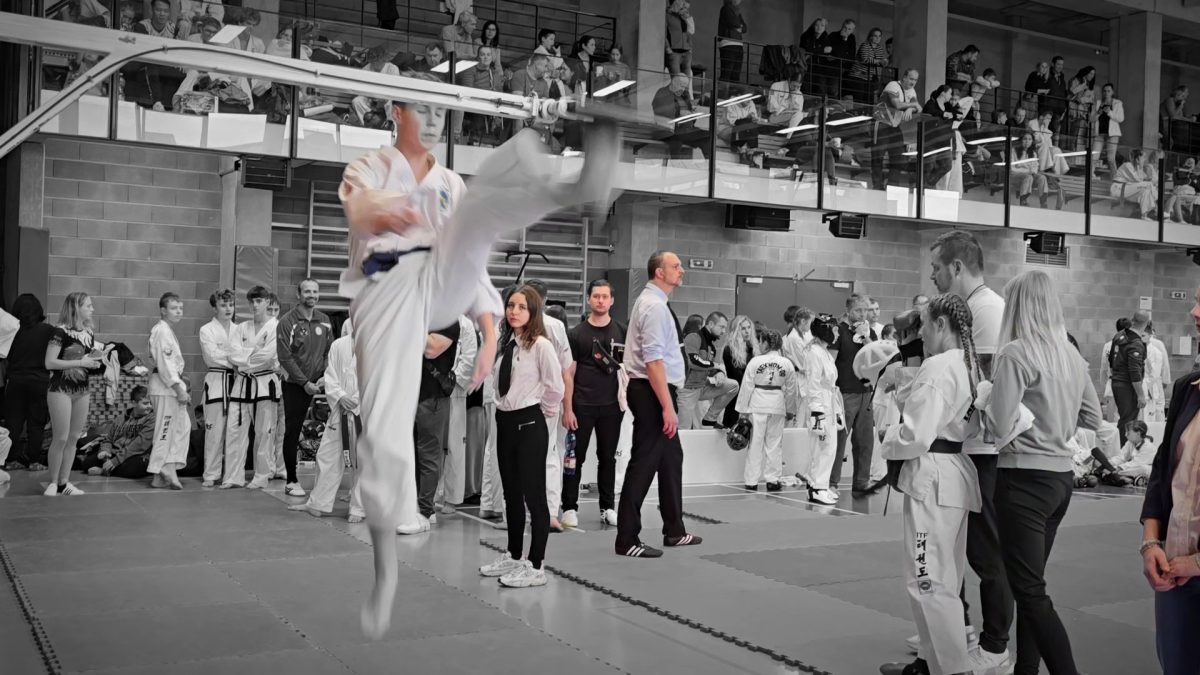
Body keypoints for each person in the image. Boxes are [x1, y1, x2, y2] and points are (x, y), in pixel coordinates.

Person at [337, 79, 618, 636]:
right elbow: (363, 211)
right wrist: (403, 214)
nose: (434, 120)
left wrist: (490, 339)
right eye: (422, 109)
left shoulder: (447, 182)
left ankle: (573, 175)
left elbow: (475, 273)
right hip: (387, 293)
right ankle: (385, 568)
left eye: (440, 111)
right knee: (384, 438)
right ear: (396, 111)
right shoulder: (368, 167)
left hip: (437, 283)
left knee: (481, 206)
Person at [879, 294, 1000, 675]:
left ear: (942, 325)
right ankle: (934, 664)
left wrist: (887, 436)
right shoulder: (970, 366)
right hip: (954, 473)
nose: (922, 335)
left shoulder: (939, 366)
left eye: (925, 327)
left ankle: (951, 669)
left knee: (927, 580)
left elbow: (915, 434)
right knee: (944, 576)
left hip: (932, 475)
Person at [989, 270, 1102, 675]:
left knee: (1030, 591)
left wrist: (989, 401)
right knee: (1030, 586)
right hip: (1060, 481)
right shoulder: (1071, 355)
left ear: (1018, 306)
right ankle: (1026, 669)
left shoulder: (1016, 353)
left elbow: (998, 426)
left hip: (1022, 479)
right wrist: (1055, 422)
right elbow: (1093, 418)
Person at [927, 230, 1014, 670]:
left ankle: (996, 646)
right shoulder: (965, 309)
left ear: (957, 267)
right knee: (951, 548)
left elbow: (982, 382)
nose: (933, 276)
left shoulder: (989, 310)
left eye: (937, 268)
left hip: (984, 451)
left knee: (985, 551)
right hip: (962, 448)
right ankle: (955, 629)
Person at [616, 251, 702, 558]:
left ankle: (674, 529)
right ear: (659, 272)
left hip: (655, 389)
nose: (682, 270)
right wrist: (667, 406)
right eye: (675, 266)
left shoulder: (656, 303)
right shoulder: (653, 306)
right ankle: (626, 538)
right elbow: (653, 361)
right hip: (651, 391)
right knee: (644, 462)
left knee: (671, 458)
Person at [478, 285, 564, 587]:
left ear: (533, 312)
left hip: (529, 422)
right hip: (505, 421)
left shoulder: (541, 345)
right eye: (510, 306)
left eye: (521, 307)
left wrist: (542, 412)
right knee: (511, 493)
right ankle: (514, 555)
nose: (514, 311)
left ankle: (536, 565)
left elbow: (555, 387)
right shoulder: (507, 344)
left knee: (534, 496)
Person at [1140, 285, 1200, 675]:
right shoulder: (1187, 389)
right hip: (1175, 571)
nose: (1194, 312)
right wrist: (1151, 542)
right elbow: (1162, 472)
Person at [562, 279, 625, 529]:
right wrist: (568, 409)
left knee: (608, 458)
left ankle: (608, 507)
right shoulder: (576, 334)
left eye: (605, 296)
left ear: (612, 300)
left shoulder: (622, 331)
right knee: (575, 458)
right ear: (589, 299)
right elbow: (568, 374)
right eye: (596, 296)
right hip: (582, 406)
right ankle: (569, 507)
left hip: (612, 406)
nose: (600, 300)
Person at [290, 320, 357, 517]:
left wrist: (356, 400)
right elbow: (330, 375)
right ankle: (317, 503)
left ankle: (359, 508)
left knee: (362, 461)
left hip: (363, 412)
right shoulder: (339, 345)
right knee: (326, 455)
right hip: (339, 409)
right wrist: (340, 396)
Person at [522, 279, 573, 532]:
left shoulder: (551, 326)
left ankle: (546, 512)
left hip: (539, 399)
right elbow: (567, 369)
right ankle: (548, 511)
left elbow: (566, 369)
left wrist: (566, 406)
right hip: (531, 399)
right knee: (548, 454)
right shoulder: (551, 325)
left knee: (537, 455)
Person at [277, 278, 333, 498]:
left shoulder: (325, 321)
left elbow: (329, 352)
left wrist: (325, 377)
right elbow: (285, 357)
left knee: (333, 431)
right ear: (298, 295)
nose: (312, 295)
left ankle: (327, 480)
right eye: (307, 291)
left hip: (320, 383)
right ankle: (291, 480)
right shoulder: (287, 321)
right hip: (295, 385)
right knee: (293, 431)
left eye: (315, 291)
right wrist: (304, 383)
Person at [44, 292, 103, 496]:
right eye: (88, 305)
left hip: (82, 389)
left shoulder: (88, 332)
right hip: (60, 388)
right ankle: (53, 481)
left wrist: (94, 361)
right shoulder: (60, 331)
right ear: (76, 308)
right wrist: (81, 362)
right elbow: (49, 362)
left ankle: (64, 482)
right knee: (60, 438)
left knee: (73, 437)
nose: (92, 309)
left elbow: (83, 360)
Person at [405, 320, 460, 534]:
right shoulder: (421, 317)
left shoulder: (448, 320)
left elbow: (431, 349)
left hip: (431, 397)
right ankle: (412, 506)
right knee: (409, 454)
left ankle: (425, 511)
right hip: (408, 394)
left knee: (428, 454)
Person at [224, 285, 280, 490]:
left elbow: (269, 354)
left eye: (259, 301)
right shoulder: (241, 328)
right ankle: (233, 477)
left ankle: (261, 476)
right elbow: (231, 354)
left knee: (264, 433)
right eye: (252, 301)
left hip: (264, 384)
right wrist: (252, 353)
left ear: (267, 302)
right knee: (234, 431)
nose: (255, 305)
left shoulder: (275, 326)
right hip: (242, 384)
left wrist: (244, 357)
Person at [736, 328, 797, 491]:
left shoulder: (755, 362)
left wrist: (742, 410)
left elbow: (746, 387)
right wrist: (791, 410)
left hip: (757, 404)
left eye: (761, 341)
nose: (760, 344)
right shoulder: (787, 363)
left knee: (755, 444)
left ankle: (751, 481)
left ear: (765, 344)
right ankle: (773, 480)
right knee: (774, 444)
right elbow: (792, 390)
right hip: (777, 404)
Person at [831, 294, 878, 495]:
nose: (863, 314)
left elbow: (876, 357)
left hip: (866, 392)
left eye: (866, 310)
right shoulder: (839, 331)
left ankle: (861, 481)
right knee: (839, 440)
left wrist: (865, 337)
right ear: (848, 311)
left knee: (865, 440)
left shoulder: (870, 333)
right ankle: (831, 482)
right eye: (858, 310)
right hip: (845, 392)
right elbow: (830, 362)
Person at [3, 294, 53, 472]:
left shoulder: (12, 330)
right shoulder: (48, 330)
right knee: (36, 423)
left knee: (13, 423)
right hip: (39, 382)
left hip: (15, 380)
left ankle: (10, 460)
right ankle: (34, 461)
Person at [147, 293, 191, 490]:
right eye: (174, 308)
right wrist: (177, 388)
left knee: (181, 427)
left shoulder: (166, 330)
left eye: (180, 308)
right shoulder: (162, 331)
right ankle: (162, 466)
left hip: (170, 385)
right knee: (165, 430)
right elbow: (165, 364)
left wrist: (180, 387)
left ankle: (162, 474)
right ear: (163, 310)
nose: (178, 312)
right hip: (166, 387)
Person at [798, 314, 844, 505]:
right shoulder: (814, 353)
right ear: (825, 331)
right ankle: (817, 488)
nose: (837, 334)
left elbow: (830, 385)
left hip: (829, 402)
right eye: (835, 330)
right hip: (820, 405)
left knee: (829, 448)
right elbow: (813, 384)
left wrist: (837, 411)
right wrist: (817, 412)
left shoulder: (823, 352)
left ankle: (819, 485)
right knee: (822, 447)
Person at [199, 289, 237, 488]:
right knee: (214, 432)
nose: (228, 308)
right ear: (215, 308)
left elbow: (245, 354)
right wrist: (235, 359)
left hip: (237, 383)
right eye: (223, 305)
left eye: (231, 304)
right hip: (216, 382)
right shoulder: (207, 330)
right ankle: (211, 473)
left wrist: (233, 358)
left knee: (234, 432)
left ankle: (231, 474)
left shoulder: (239, 330)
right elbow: (212, 356)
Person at [78, 385, 155, 478]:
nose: (150, 406)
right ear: (134, 403)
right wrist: (105, 451)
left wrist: (116, 461)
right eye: (145, 403)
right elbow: (108, 439)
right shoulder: (120, 418)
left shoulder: (151, 419)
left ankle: (104, 470)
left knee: (139, 466)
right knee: (87, 463)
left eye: (151, 403)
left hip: (135, 456)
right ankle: (109, 468)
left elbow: (139, 444)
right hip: (115, 453)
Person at [678, 312, 738, 429]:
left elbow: (709, 368)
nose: (723, 331)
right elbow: (693, 361)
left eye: (725, 328)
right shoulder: (693, 337)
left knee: (733, 385)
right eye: (721, 327)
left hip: (702, 387)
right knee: (683, 430)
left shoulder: (711, 346)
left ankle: (710, 419)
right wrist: (716, 366)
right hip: (687, 390)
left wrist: (719, 373)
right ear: (710, 324)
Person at [872, 68, 922, 190]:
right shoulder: (893, 85)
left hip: (895, 126)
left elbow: (919, 108)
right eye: (911, 79)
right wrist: (912, 105)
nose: (913, 82)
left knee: (899, 158)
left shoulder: (912, 91)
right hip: (882, 123)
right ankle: (877, 187)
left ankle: (892, 187)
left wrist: (910, 108)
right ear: (904, 77)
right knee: (878, 157)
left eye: (915, 80)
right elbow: (897, 105)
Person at [1111, 309, 1149, 444]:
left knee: (1125, 419)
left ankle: (1122, 448)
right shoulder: (1135, 343)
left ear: (1132, 320)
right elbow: (1134, 371)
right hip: (1127, 385)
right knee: (1128, 420)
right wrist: (1141, 395)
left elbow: (1111, 360)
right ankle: (1122, 449)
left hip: (1116, 381)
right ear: (1147, 323)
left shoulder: (1119, 335)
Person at [722, 315, 759, 428]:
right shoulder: (729, 350)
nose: (747, 331)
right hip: (737, 395)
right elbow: (738, 377)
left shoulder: (754, 348)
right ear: (736, 331)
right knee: (732, 428)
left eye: (749, 327)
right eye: (743, 328)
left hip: (753, 395)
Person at [351, 46, 401, 126]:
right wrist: (371, 98)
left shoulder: (392, 68)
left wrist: (383, 97)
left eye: (378, 59)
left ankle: (389, 125)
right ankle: (368, 123)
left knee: (389, 102)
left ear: (384, 59)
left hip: (387, 99)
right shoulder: (366, 69)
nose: (376, 62)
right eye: (373, 59)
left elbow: (395, 90)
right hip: (371, 99)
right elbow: (361, 89)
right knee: (356, 101)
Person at [1112, 150, 1159, 220]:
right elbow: (1138, 180)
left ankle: (1144, 215)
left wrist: (1142, 172)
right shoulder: (1127, 165)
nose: (1145, 159)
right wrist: (1142, 171)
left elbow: (1147, 179)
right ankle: (1157, 210)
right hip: (1118, 189)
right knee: (1147, 185)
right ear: (1137, 159)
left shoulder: (1138, 168)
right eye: (1143, 157)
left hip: (1127, 190)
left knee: (1146, 191)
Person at [849, 27, 888, 104]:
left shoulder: (880, 49)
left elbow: (879, 62)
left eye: (879, 36)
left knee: (869, 100)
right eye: (875, 36)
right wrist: (879, 61)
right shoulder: (865, 45)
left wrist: (884, 62)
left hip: (870, 77)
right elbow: (865, 60)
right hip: (858, 75)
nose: (878, 38)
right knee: (859, 99)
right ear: (870, 36)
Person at [718, 0, 748, 83]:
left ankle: (732, 91)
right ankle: (723, 92)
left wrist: (739, 26)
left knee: (735, 76)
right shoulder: (725, 9)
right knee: (726, 74)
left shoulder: (737, 12)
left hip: (738, 44)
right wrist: (740, 25)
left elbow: (745, 28)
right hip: (728, 43)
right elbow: (734, 23)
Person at [664, 0, 694, 82]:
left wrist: (688, 18)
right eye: (683, 5)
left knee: (686, 82)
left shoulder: (683, 16)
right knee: (676, 81)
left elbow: (691, 32)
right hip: (674, 52)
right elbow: (663, 33)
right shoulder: (667, 15)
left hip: (687, 52)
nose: (685, 8)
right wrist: (668, 48)